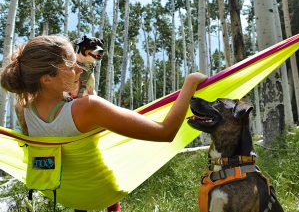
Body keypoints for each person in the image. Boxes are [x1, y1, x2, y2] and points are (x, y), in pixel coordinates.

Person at [0, 35, 208, 211]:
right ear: (46, 79)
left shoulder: (24, 108)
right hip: (101, 194)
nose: (80, 70)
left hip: (62, 191)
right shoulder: (89, 108)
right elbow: (165, 132)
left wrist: (70, 99)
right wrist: (189, 84)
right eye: (72, 66)